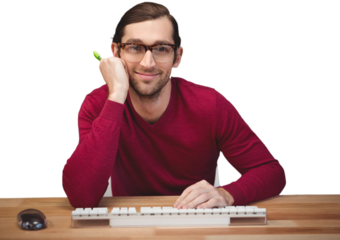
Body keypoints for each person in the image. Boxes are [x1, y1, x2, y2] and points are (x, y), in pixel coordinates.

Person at [61, 0, 287, 209]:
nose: (147, 63)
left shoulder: (211, 104)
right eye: (134, 47)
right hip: (131, 227)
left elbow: (272, 172)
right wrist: (117, 92)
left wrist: (228, 194)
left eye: (161, 49)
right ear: (114, 52)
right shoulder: (98, 103)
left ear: (177, 57)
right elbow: (81, 197)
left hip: (198, 225)